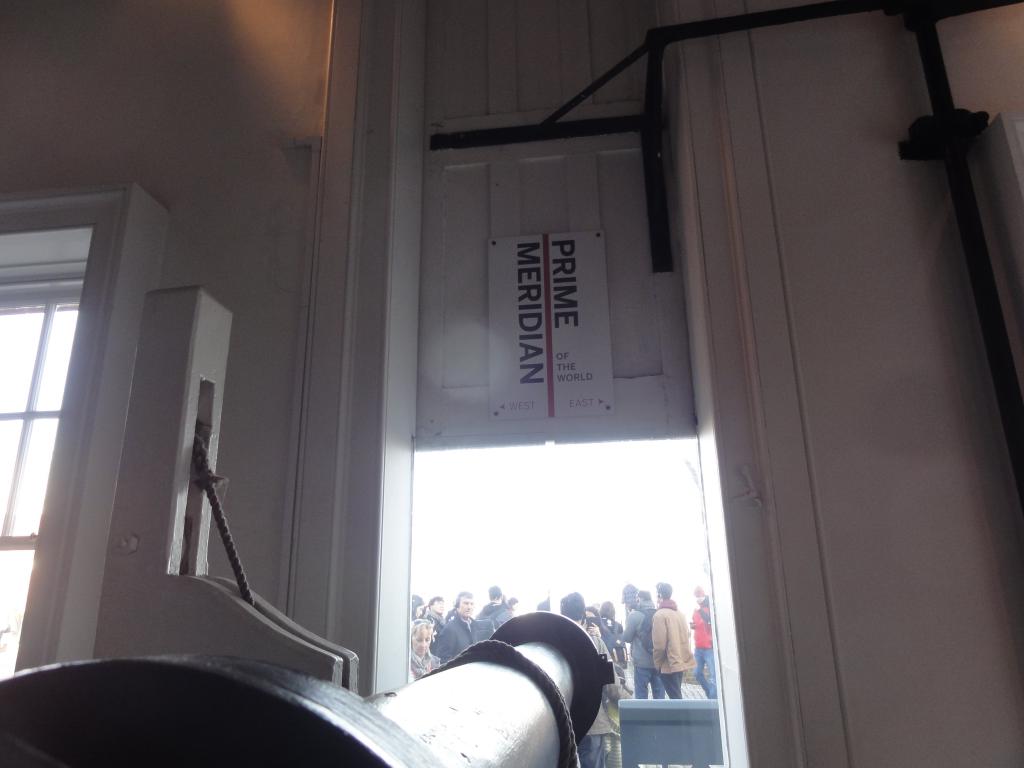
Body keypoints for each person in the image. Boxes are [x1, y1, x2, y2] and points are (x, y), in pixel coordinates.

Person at [561, 592, 620, 768]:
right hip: (592, 722)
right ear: (582, 616)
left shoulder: (554, 642)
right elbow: (612, 685)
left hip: (561, 724)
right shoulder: (595, 642)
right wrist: (625, 696)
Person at [652, 582, 696, 699]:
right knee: (677, 695)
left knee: (675, 698)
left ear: (659, 595)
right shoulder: (679, 613)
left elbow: (659, 646)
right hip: (680, 661)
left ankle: (683, 712)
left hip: (668, 664)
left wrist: (657, 664)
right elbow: (686, 635)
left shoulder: (659, 615)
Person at [621, 584, 664, 699]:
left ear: (639, 599)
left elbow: (627, 638)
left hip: (641, 662)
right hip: (659, 661)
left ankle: (643, 712)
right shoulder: (660, 613)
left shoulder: (635, 615)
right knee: (659, 696)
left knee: (641, 696)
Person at [434, 591, 475, 663]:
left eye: (472, 604)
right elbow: (443, 659)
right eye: (466, 603)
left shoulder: (476, 626)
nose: (469, 607)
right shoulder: (449, 629)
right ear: (457, 606)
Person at [692, 586, 717, 699]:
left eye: (699, 595)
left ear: (703, 595)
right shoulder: (696, 611)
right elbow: (697, 624)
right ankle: (709, 693)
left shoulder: (710, 608)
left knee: (714, 675)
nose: (697, 598)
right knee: (697, 673)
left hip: (709, 647)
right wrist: (693, 626)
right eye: (696, 596)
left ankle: (713, 699)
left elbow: (711, 622)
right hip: (698, 647)